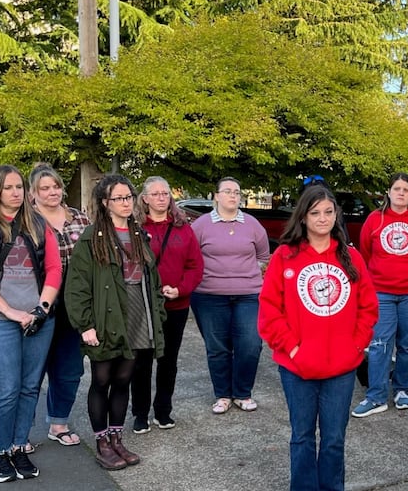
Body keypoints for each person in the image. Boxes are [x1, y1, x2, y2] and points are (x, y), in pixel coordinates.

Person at [258, 184, 378, 491]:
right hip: (297, 368)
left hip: (341, 367)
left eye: (328, 212)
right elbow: (270, 311)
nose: (322, 219)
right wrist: (293, 349)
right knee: (302, 437)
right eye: (315, 213)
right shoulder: (285, 256)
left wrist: (355, 345)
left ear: (336, 215)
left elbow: (368, 307)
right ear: (303, 217)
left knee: (334, 439)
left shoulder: (351, 257)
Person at [0, 164, 62, 482]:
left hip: (37, 318)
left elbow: (55, 267)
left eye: (19, 186)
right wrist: (11, 311)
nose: (16, 192)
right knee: (6, 389)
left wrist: (41, 308)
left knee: (30, 386)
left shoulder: (37, 222)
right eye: (8, 187)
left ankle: (19, 447)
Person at [64, 174, 165, 470]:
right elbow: (77, 286)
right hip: (106, 315)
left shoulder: (139, 235)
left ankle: (117, 438)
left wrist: (156, 314)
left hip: (136, 313)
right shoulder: (91, 237)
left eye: (128, 197)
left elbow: (153, 280)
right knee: (102, 379)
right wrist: (85, 325)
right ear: (105, 203)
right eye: (118, 198)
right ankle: (102, 442)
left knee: (124, 380)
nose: (125, 202)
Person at [351, 173, 408, 417]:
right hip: (382, 292)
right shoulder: (374, 220)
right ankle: (376, 395)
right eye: (397, 188)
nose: (401, 193)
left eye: (406, 190)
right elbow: (366, 254)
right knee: (379, 343)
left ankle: (402, 390)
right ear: (388, 192)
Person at [190, 177, 270, 414]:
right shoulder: (201, 225)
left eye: (237, 191)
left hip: (248, 294)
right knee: (217, 347)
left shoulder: (253, 224)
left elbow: (264, 255)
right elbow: (191, 258)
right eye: (227, 191)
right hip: (209, 295)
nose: (233, 195)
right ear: (216, 196)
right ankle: (223, 394)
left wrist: (247, 272)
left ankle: (242, 393)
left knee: (250, 344)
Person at [132, 176, 204, 433]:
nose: (162, 198)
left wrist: (181, 289)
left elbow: (195, 266)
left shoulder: (184, 228)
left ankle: (163, 411)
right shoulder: (135, 228)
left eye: (165, 193)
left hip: (176, 305)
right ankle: (140, 413)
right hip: (143, 306)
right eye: (156, 193)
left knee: (168, 360)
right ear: (145, 198)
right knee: (142, 361)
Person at [30, 163, 92, 449]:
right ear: (33, 193)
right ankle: (21, 433)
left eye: (56, 186)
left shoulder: (79, 218)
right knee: (32, 370)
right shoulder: (26, 220)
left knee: (69, 368)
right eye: (45, 188)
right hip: (38, 304)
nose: (52, 192)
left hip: (75, 304)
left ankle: (59, 423)